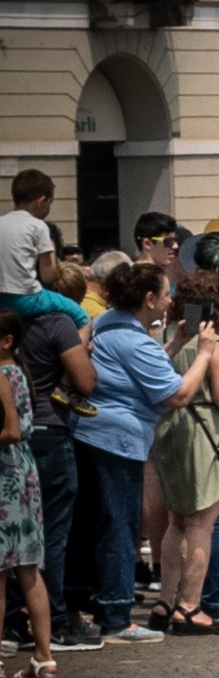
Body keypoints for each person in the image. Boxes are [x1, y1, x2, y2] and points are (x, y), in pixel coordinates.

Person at [71, 261, 219, 640]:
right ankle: (117, 614)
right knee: (119, 527)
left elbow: (143, 371)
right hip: (115, 441)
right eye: (166, 292)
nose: (171, 299)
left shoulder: (109, 322)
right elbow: (178, 394)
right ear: (149, 298)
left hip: (93, 434)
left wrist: (176, 344)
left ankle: (94, 604)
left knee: (100, 524)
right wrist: (204, 352)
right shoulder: (134, 341)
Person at [147, 299, 219, 636]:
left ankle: (164, 602)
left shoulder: (165, 337)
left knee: (176, 520)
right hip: (203, 432)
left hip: (168, 430)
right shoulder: (213, 345)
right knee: (201, 521)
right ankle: (190, 606)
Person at [15, 258, 99, 649]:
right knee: (53, 534)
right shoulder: (58, 322)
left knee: (15, 533)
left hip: (11, 434)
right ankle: (56, 619)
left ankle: (15, 618)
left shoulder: (7, 321)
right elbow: (84, 380)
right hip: (50, 430)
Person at [0, 313, 56, 678]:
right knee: (28, 568)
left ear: (6, 340)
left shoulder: (3, 375)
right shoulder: (20, 373)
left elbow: (11, 430)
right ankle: (43, 657)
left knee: (2, 573)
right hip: (23, 473)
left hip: (4, 473)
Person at [0, 168, 59, 318]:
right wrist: (52, 247)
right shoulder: (38, 226)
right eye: (50, 203)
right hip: (26, 299)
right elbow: (48, 276)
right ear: (41, 202)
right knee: (81, 316)